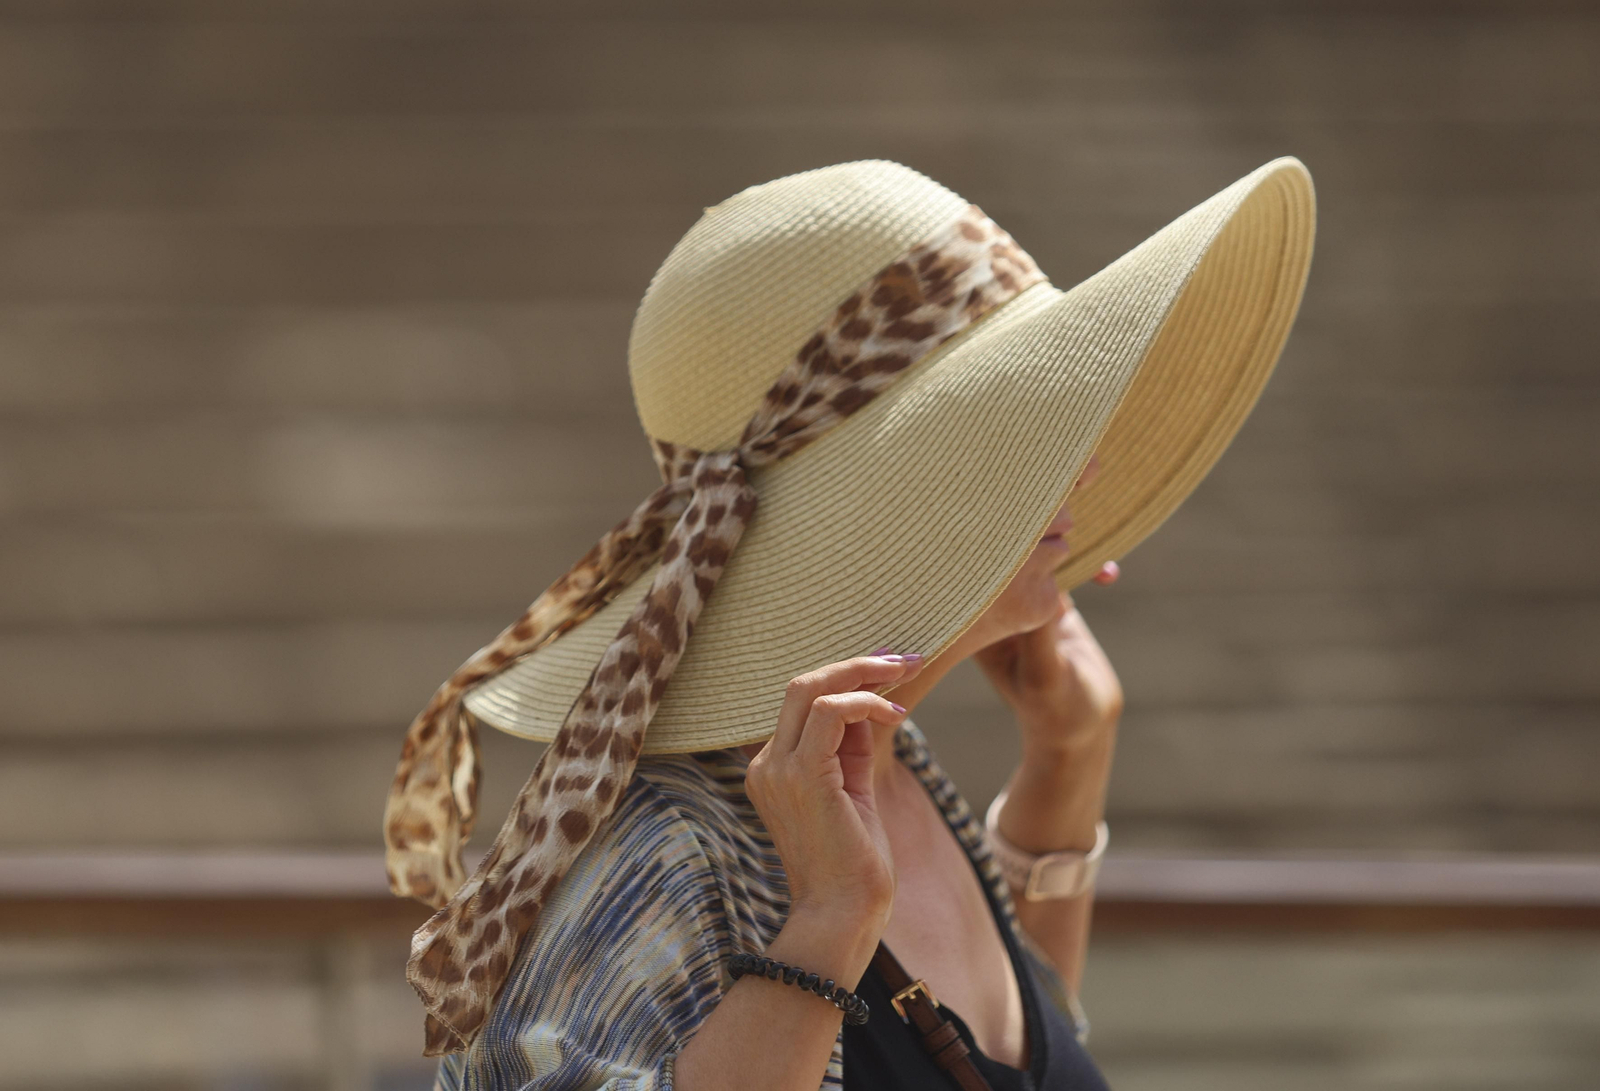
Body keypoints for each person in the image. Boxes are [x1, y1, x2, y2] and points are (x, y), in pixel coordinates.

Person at [383, 157, 1317, 1089]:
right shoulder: (668, 847)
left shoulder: (883, 772)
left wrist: (1068, 762)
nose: (1083, 469)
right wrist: (828, 921)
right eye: (1021, 426)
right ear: (877, 499)